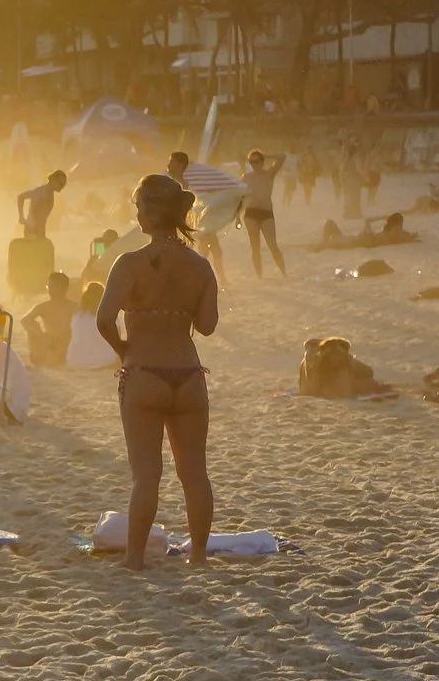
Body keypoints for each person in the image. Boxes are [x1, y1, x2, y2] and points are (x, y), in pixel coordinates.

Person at [96, 174, 217, 572]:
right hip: (188, 374)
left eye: (139, 207)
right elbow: (208, 324)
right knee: (194, 473)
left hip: (144, 371)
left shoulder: (129, 263)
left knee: (146, 475)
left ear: (151, 212)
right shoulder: (200, 266)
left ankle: (134, 559)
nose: (136, 214)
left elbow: (104, 319)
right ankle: (198, 556)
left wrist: (123, 350)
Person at [240, 150, 285, 277]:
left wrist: (266, 155)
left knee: (272, 245)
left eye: (256, 161)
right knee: (255, 247)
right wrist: (237, 216)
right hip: (251, 213)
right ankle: (259, 276)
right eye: (251, 162)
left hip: (266, 212)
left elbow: (282, 156)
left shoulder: (269, 174)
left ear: (262, 161)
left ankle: (283, 273)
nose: (254, 164)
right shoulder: (246, 177)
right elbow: (241, 197)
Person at [23, 271, 80, 367]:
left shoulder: (73, 307)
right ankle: (39, 355)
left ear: (65, 288)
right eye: (49, 286)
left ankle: (55, 356)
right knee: (32, 327)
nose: (51, 289)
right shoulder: (44, 306)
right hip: (49, 342)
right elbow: (25, 320)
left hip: (66, 342)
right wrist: (40, 333)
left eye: (55, 286)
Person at [18, 169, 67, 240]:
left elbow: (21, 197)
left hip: (28, 230)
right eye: (61, 183)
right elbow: (39, 215)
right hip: (35, 232)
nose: (62, 187)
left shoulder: (40, 190)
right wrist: (41, 235)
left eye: (64, 184)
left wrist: (21, 217)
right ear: (53, 180)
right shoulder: (47, 194)